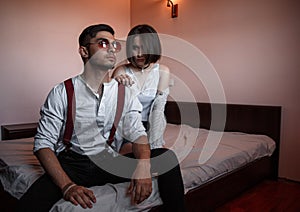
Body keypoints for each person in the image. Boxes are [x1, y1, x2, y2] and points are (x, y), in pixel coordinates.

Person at [16, 24, 185, 212]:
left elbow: (137, 133)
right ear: (84, 51)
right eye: (103, 43)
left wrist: (143, 166)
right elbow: (43, 145)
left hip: (110, 161)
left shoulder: (123, 92)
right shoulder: (62, 92)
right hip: (75, 163)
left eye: (114, 45)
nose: (112, 48)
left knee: (166, 158)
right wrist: (67, 186)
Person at [113, 24, 170, 155]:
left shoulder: (163, 71)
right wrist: (116, 84)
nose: (139, 54)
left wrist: (154, 142)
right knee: (128, 153)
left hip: (151, 125)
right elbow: (114, 108)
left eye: (143, 48)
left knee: (157, 157)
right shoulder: (121, 70)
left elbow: (158, 108)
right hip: (127, 125)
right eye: (135, 48)